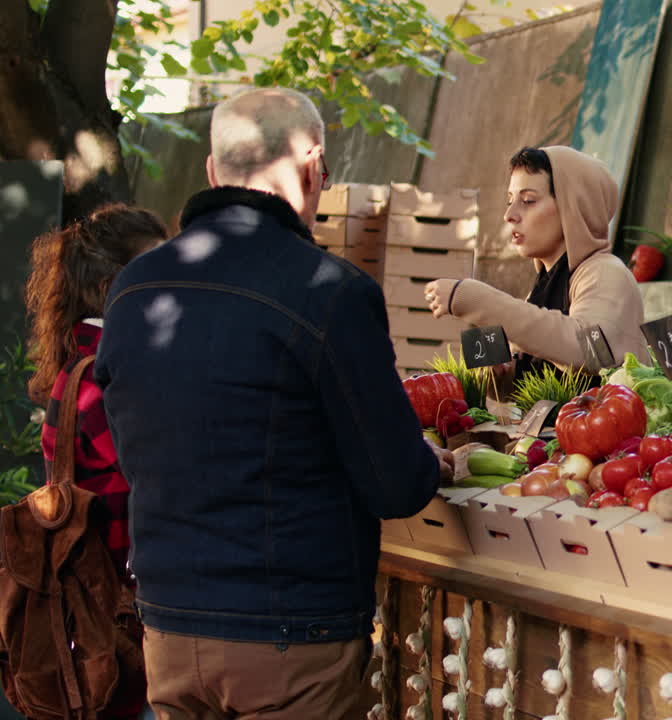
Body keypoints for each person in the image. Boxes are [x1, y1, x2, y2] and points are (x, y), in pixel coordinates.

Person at [94, 88, 440, 719]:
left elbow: (130, 445)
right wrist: (435, 461)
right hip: (291, 634)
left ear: (210, 171)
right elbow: (396, 485)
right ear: (313, 166)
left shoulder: (133, 288)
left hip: (168, 626)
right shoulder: (330, 291)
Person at [24, 202, 168, 719]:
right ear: (116, 283)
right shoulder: (105, 374)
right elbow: (162, 470)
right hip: (116, 617)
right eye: (158, 267)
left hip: (108, 614)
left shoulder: (94, 360)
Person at [422, 146, 647, 382]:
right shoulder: (541, 289)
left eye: (528, 200)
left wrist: (475, 298)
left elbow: (590, 353)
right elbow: (534, 373)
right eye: (510, 200)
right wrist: (500, 373)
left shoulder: (605, 272)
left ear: (573, 208)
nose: (509, 214)